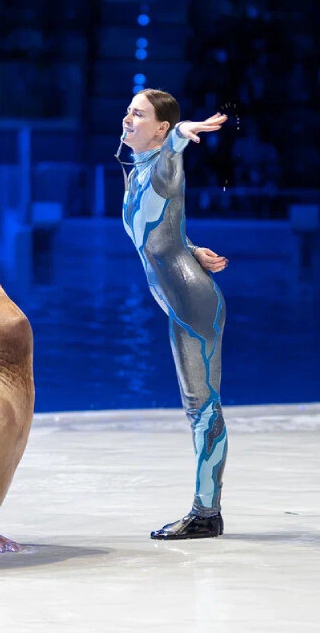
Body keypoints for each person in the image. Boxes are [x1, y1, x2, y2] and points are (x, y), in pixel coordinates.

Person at [116, 88, 230, 539]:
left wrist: (184, 131)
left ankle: (206, 514)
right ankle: (207, 510)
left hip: (192, 302)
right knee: (197, 408)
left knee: (203, 409)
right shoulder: (138, 173)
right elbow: (161, 230)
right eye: (127, 111)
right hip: (179, 297)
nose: (127, 119)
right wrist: (190, 248)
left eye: (138, 114)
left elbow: (178, 146)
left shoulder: (164, 162)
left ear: (160, 129)